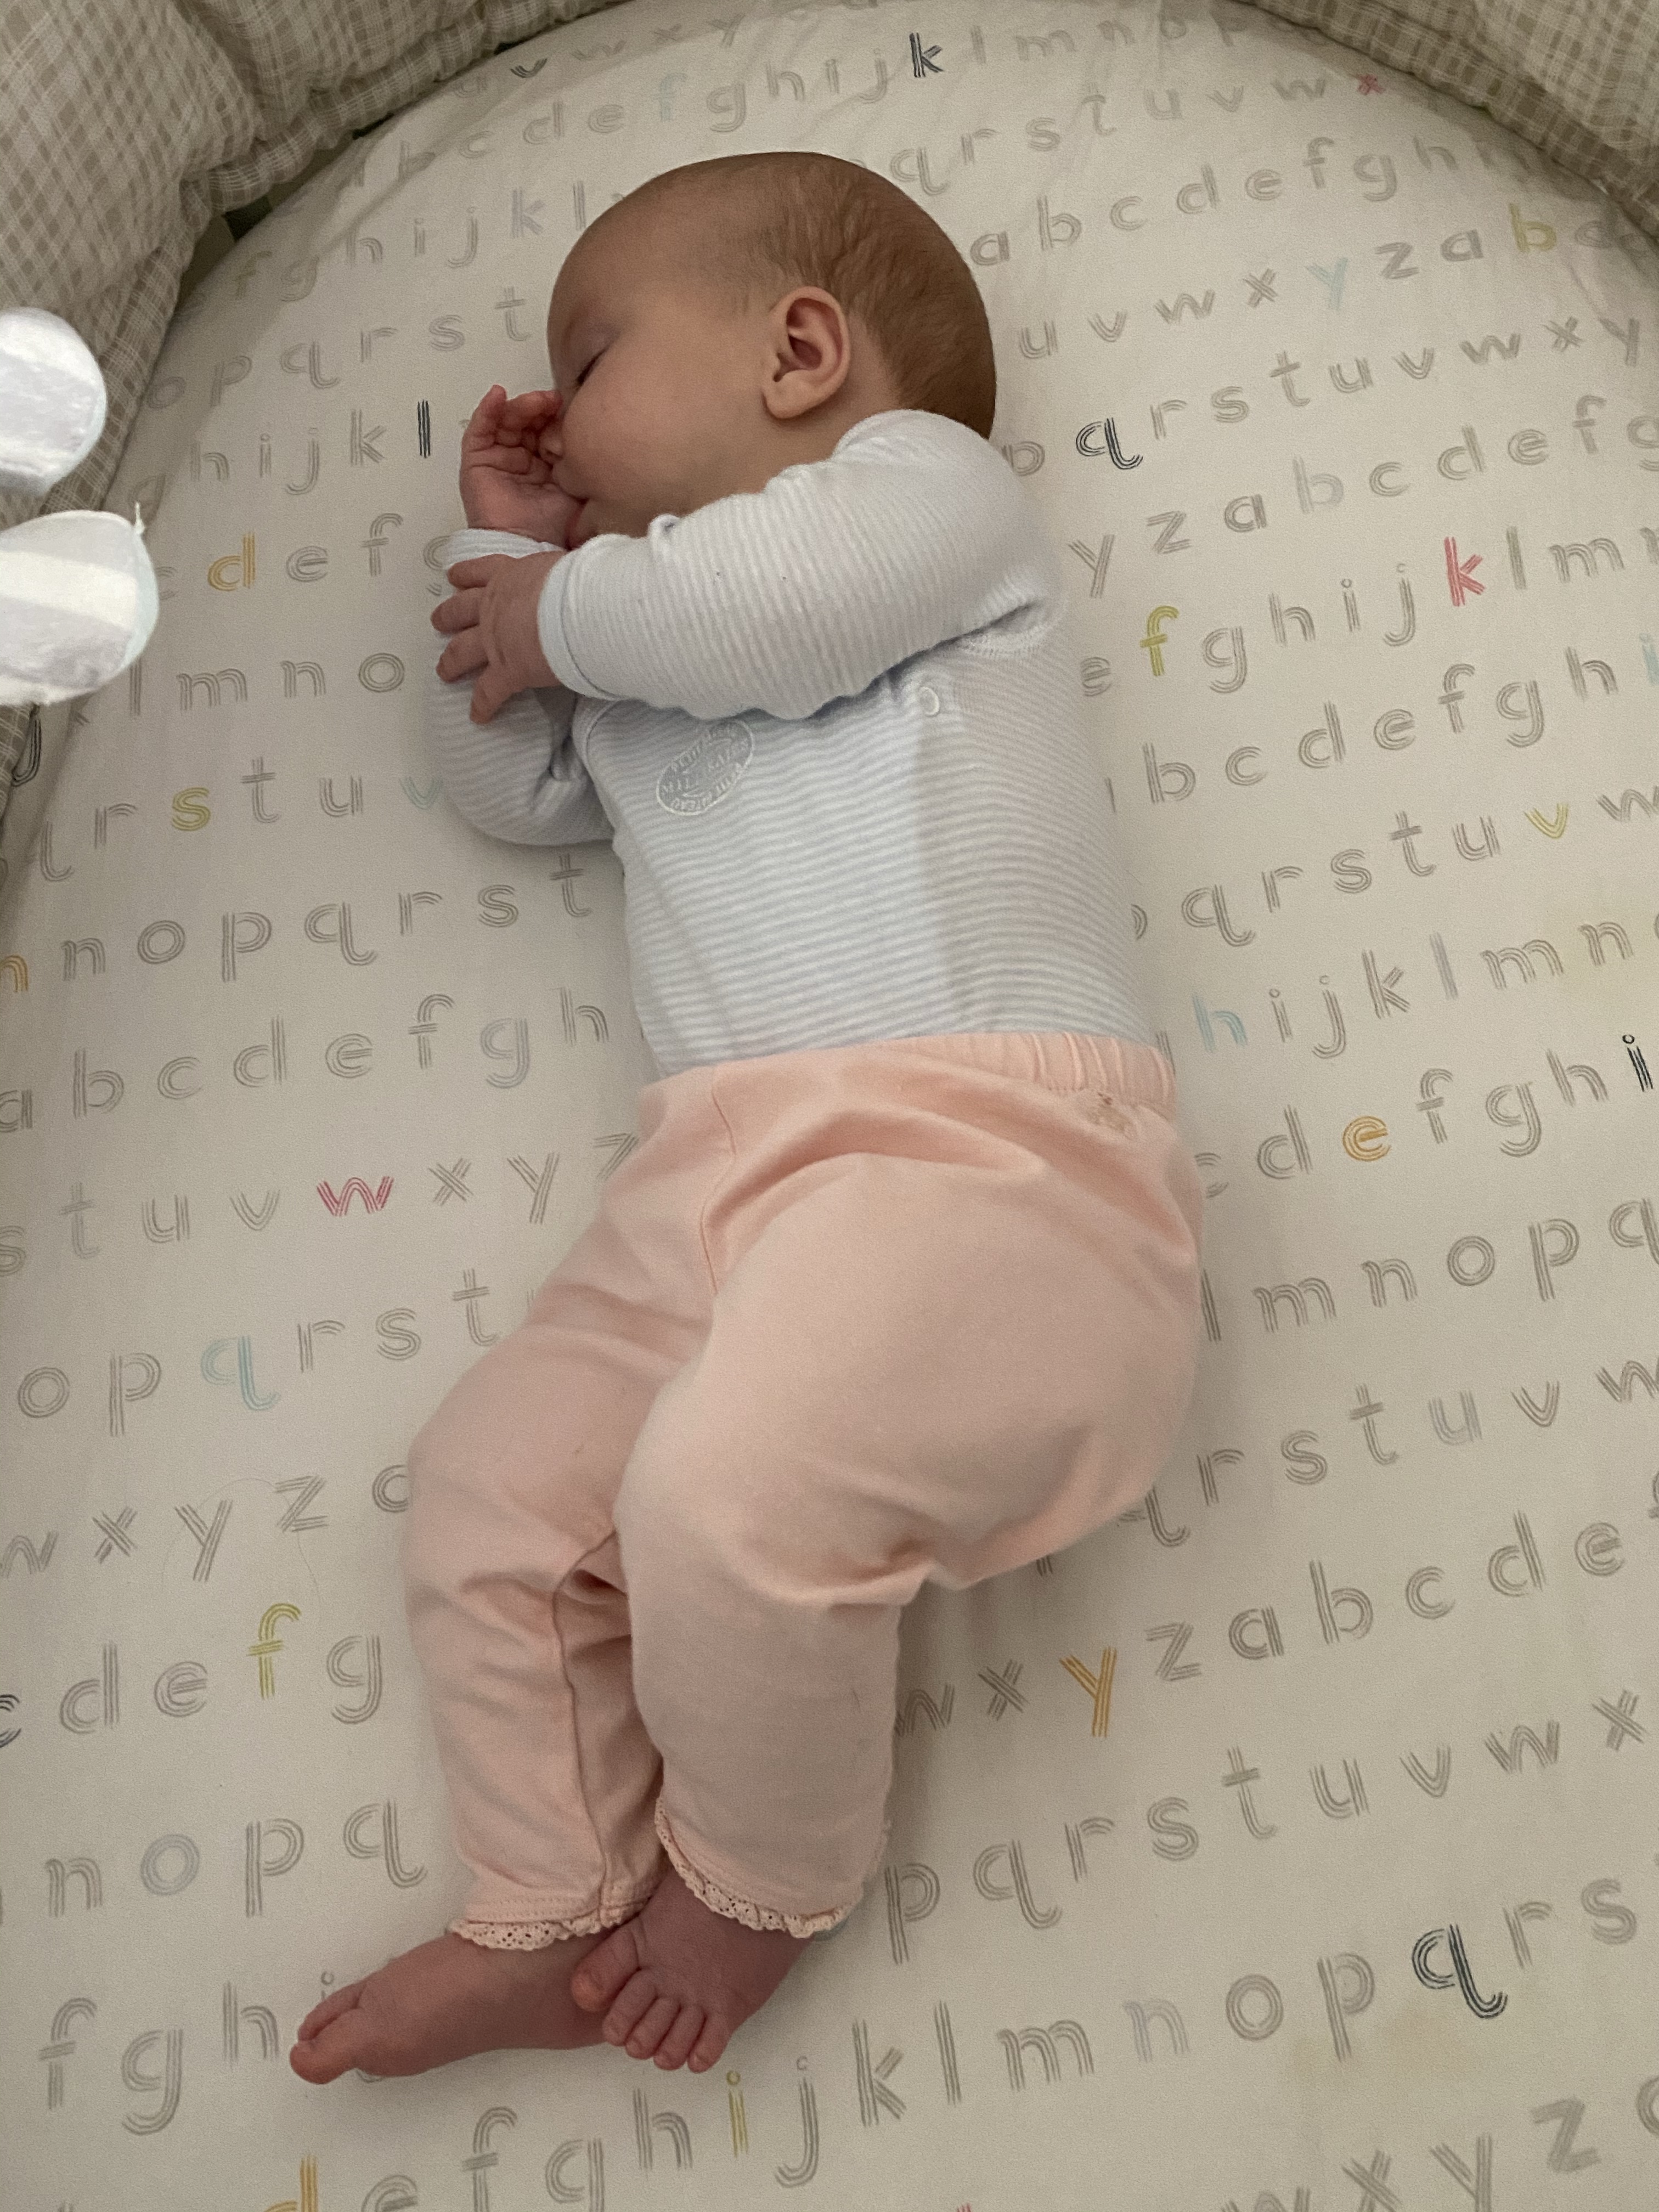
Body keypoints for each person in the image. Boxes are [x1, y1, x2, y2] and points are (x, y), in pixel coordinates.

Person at [290, 149, 1203, 2089]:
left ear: (801, 353)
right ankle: (542, 1894)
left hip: (984, 1169)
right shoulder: (639, 641)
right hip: (710, 1181)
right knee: (490, 1500)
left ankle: (759, 1881)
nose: (557, 414)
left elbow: (759, 618)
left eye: (591, 361)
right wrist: (492, 574)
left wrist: (563, 603)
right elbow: (508, 794)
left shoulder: (924, 501)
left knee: (722, 1500)